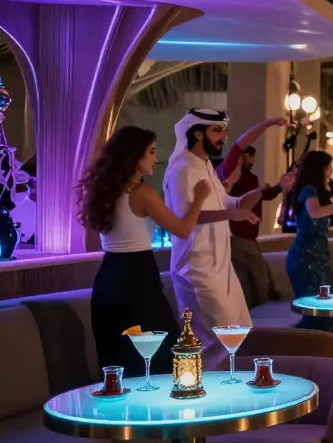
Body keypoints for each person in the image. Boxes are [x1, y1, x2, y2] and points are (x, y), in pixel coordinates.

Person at [79, 126, 207, 375]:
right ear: (133, 156)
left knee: (119, 357)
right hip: (137, 278)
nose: (155, 159)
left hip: (108, 278)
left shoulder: (103, 192)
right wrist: (199, 199)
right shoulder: (142, 194)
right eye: (151, 152)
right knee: (159, 353)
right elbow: (182, 229)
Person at [164, 109, 283, 365]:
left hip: (221, 266)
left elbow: (227, 203)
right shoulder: (183, 168)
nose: (223, 136)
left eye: (224, 130)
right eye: (217, 130)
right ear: (197, 133)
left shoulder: (205, 165)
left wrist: (252, 196)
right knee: (216, 341)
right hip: (196, 268)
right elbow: (188, 216)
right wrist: (234, 214)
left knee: (238, 334)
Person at [286, 151, 333, 331]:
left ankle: (322, 347)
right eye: (327, 167)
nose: (330, 171)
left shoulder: (315, 192)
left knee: (325, 305)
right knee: (318, 308)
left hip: (316, 257)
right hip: (306, 258)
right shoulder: (309, 190)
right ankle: (315, 349)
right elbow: (315, 212)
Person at [224, 139, 288, 308]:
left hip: (248, 236)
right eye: (248, 155)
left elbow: (264, 195)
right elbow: (237, 202)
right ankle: (256, 309)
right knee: (252, 274)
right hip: (237, 235)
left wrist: (279, 187)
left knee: (255, 273)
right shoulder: (232, 177)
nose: (252, 159)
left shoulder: (252, 178)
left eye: (253, 155)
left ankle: (256, 308)